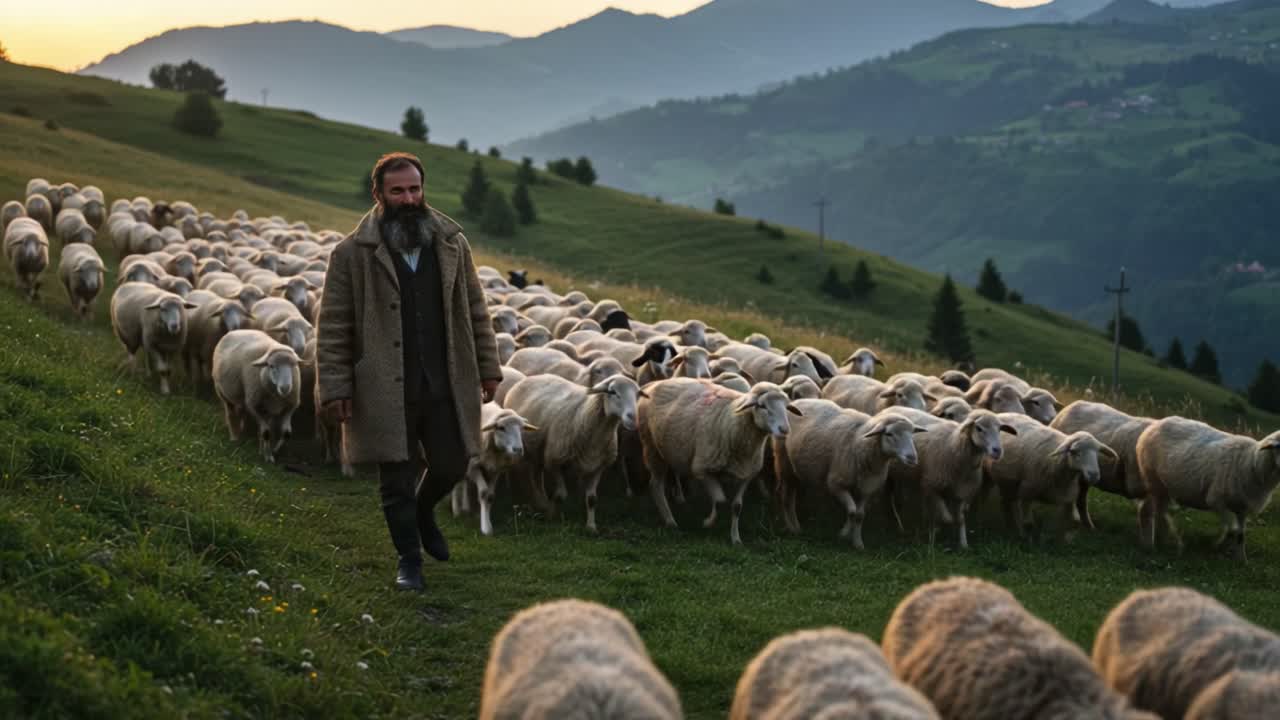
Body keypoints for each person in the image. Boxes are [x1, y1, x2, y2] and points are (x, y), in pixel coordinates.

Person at [316, 152, 502, 591]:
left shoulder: (452, 244)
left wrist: (488, 367)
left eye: (414, 189)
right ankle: (409, 560)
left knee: (453, 462)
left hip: (444, 379)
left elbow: (476, 309)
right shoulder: (351, 254)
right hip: (383, 384)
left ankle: (422, 511)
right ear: (378, 193)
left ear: (423, 189)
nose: (408, 198)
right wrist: (337, 386)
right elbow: (334, 324)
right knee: (396, 478)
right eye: (397, 191)